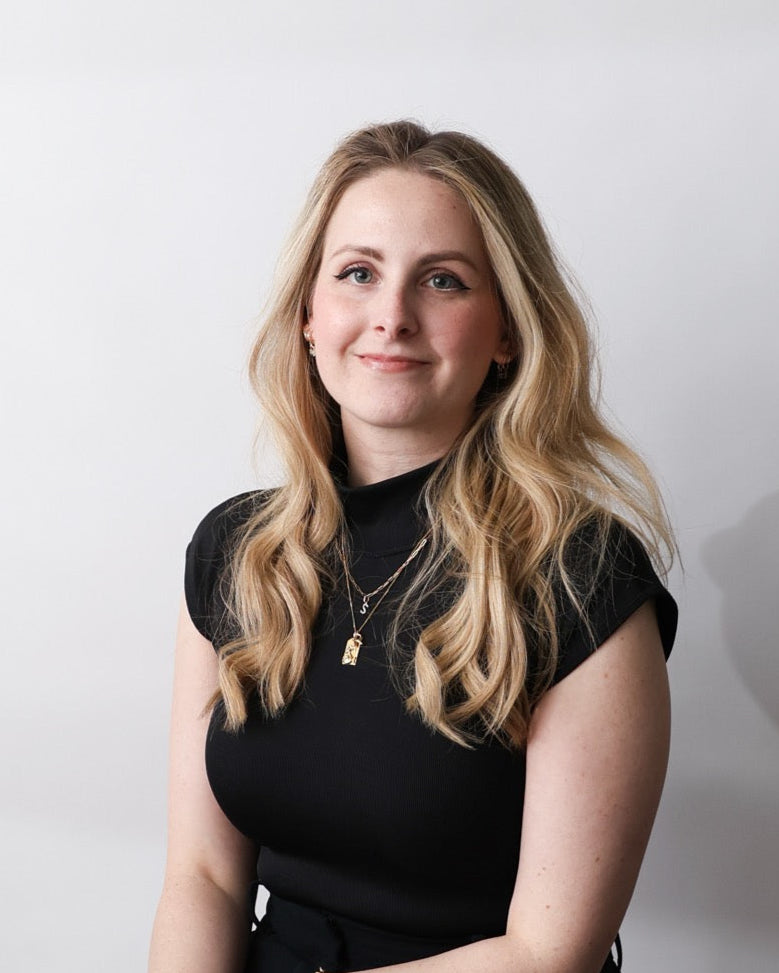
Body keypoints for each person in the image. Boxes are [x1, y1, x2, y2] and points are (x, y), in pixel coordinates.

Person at [148, 120, 678, 973]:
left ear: (506, 331)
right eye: (357, 273)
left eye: (442, 280)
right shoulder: (234, 551)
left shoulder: (582, 577)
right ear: (310, 318)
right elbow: (202, 877)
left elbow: (549, 953)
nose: (390, 317)